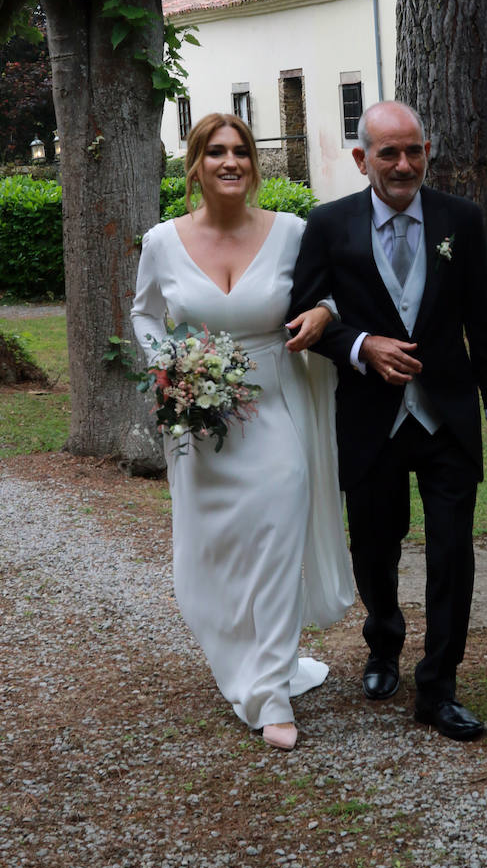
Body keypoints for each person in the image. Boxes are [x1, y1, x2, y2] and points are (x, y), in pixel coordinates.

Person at [291, 101, 487, 742]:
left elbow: (482, 316)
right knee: (374, 545)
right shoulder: (329, 225)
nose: (403, 164)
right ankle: (383, 641)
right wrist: (362, 345)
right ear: (362, 159)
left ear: (427, 153)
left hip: (445, 415)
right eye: (388, 153)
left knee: (453, 553)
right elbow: (305, 319)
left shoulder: (461, 220)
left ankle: (439, 687)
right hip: (370, 420)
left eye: (414, 150)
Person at [131, 113, 353, 752]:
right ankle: (245, 659)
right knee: (212, 555)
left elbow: (333, 296)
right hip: (200, 419)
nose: (231, 163)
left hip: (276, 406)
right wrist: (169, 365)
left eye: (242, 153)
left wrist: (318, 314)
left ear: (254, 166)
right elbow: (145, 314)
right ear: (195, 165)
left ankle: (271, 694)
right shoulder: (162, 242)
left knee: (277, 540)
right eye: (217, 153)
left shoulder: (291, 233)